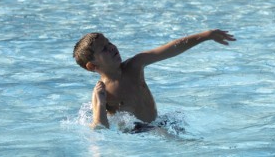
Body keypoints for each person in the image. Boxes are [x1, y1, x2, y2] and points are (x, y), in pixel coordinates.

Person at [73, 29, 235, 130]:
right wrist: (101, 104)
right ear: (92, 66)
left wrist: (206, 35)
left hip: (158, 123)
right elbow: (100, 128)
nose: (112, 47)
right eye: (104, 48)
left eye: (109, 42)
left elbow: (171, 48)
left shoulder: (135, 64)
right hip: (136, 132)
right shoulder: (101, 92)